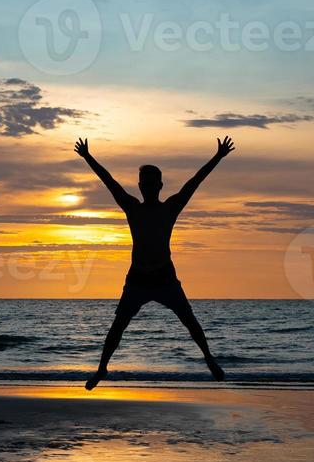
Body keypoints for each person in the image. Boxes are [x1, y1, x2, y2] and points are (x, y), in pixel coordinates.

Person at [74, 136, 234, 390]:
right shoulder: (132, 207)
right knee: (118, 326)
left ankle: (209, 358)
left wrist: (217, 157)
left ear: (160, 185)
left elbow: (195, 182)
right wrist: (88, 157)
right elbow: (110, 183)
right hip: (137, 278)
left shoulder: (170, 208)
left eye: (152, 182)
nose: (148, 186)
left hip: (164, 278)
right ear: (140, 186)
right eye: (144, 183)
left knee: (189, 320)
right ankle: (102, 368)